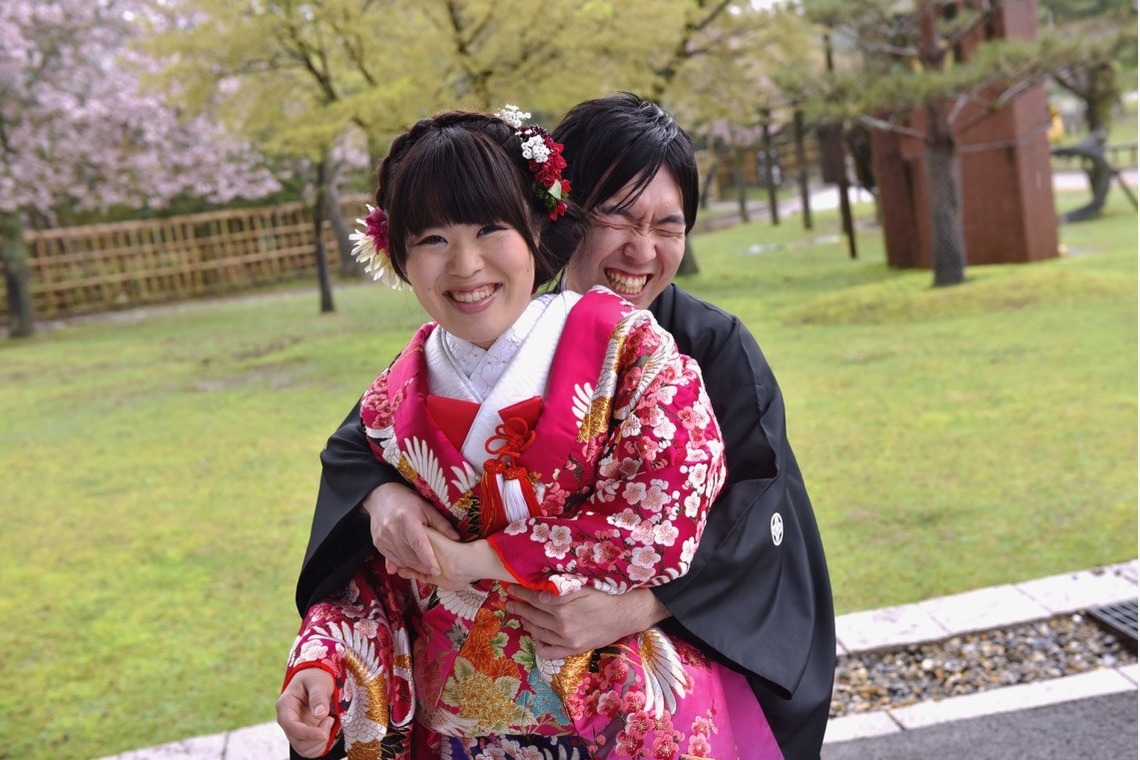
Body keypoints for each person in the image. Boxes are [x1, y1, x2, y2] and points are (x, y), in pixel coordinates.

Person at [294, 93, 835, 759]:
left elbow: (751, 512)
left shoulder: (689, 347)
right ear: (561, 212)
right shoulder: (449, 351)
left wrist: (640, 605)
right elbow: (360, 452)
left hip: (627, 692)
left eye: (668, 226)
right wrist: (381, 498)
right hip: (465, 716)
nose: (642, 250)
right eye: (617, 217)